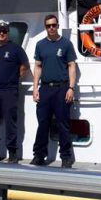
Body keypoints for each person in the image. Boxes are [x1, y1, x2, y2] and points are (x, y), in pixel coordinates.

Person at [31, 14, 77, 168]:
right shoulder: (40, 45)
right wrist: (35, 88)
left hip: (62, 88)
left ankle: (66, 157)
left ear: (57, 26)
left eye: (53, 25)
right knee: (42, 123)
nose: (51, 28)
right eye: (48, 26)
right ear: (45, 27)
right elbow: (38, 67)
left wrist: (71, 87)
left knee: (63, 124)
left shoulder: (66, 44)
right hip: (45, 89)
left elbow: (72, 66)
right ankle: (39, 155)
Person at [0, 21, 29, 163]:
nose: (1, 33)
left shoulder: (16, 49)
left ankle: (12, 152)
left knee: (10, 122)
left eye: (4, 31)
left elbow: (25, 66)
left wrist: (14, 77)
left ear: (8, 33)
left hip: (9, 91)